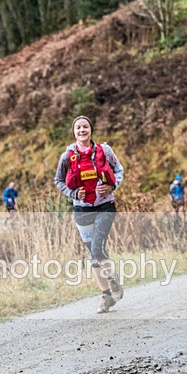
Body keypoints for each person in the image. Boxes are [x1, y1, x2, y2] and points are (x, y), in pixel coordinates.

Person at [54, 115, 125, 313]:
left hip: (105, 206)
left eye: (85, 127)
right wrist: (74, 193)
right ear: (74, 131)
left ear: (91, 129)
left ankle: (113, 280)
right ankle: (106, 296)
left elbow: (119, 170)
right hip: (82, 209)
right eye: (78, 127)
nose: (82, 130)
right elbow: (58, 181)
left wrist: (112, 187)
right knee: (93, 254)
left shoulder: (105, 150)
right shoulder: (68, 156)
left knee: (97, 247)